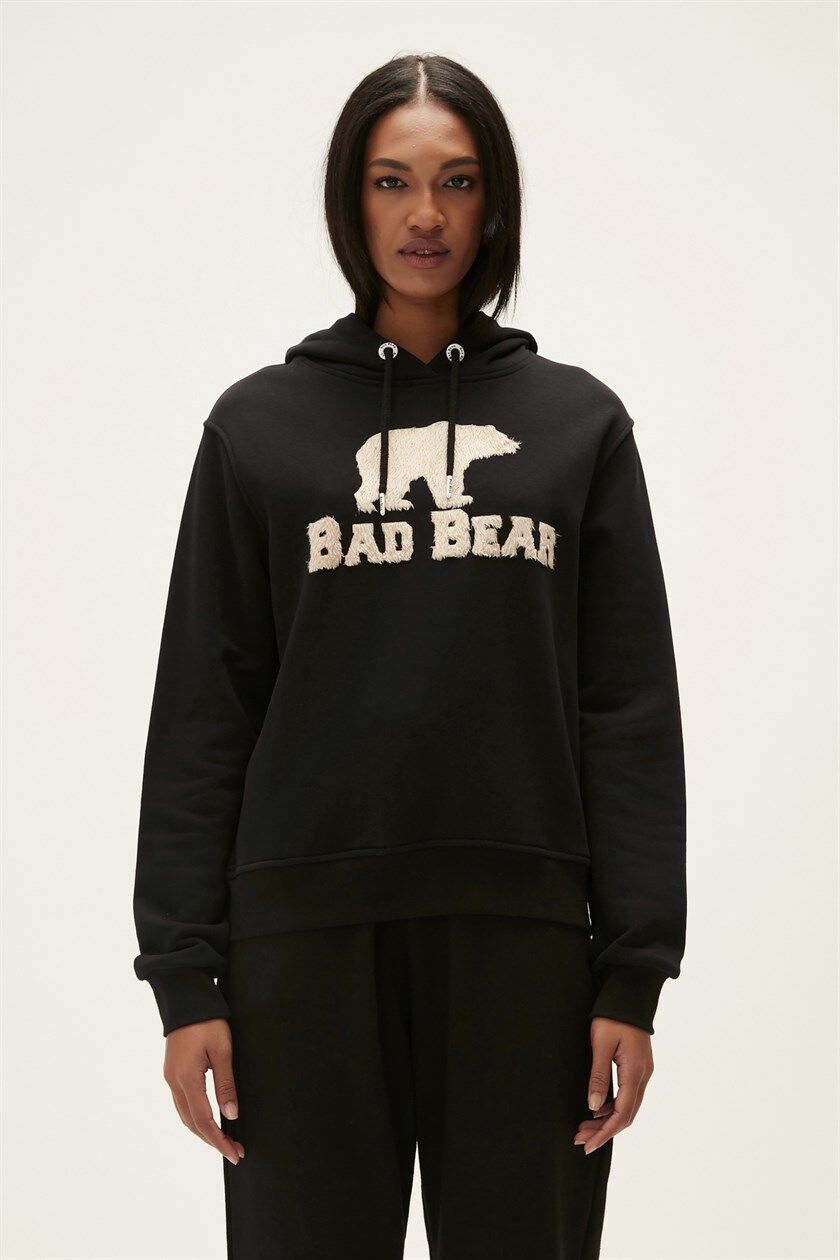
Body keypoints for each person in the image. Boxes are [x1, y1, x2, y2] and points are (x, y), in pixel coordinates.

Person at [132, 52, 687, 1260]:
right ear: (352, 199)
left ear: (495, 203)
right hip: (300, 953)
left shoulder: (577, 427)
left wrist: (632, 975)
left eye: (457, 181)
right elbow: (205, 708)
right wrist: (185, 981)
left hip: (525, 949)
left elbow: (627, 708)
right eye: (392, 181)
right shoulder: (259, 430)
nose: (424, 215)